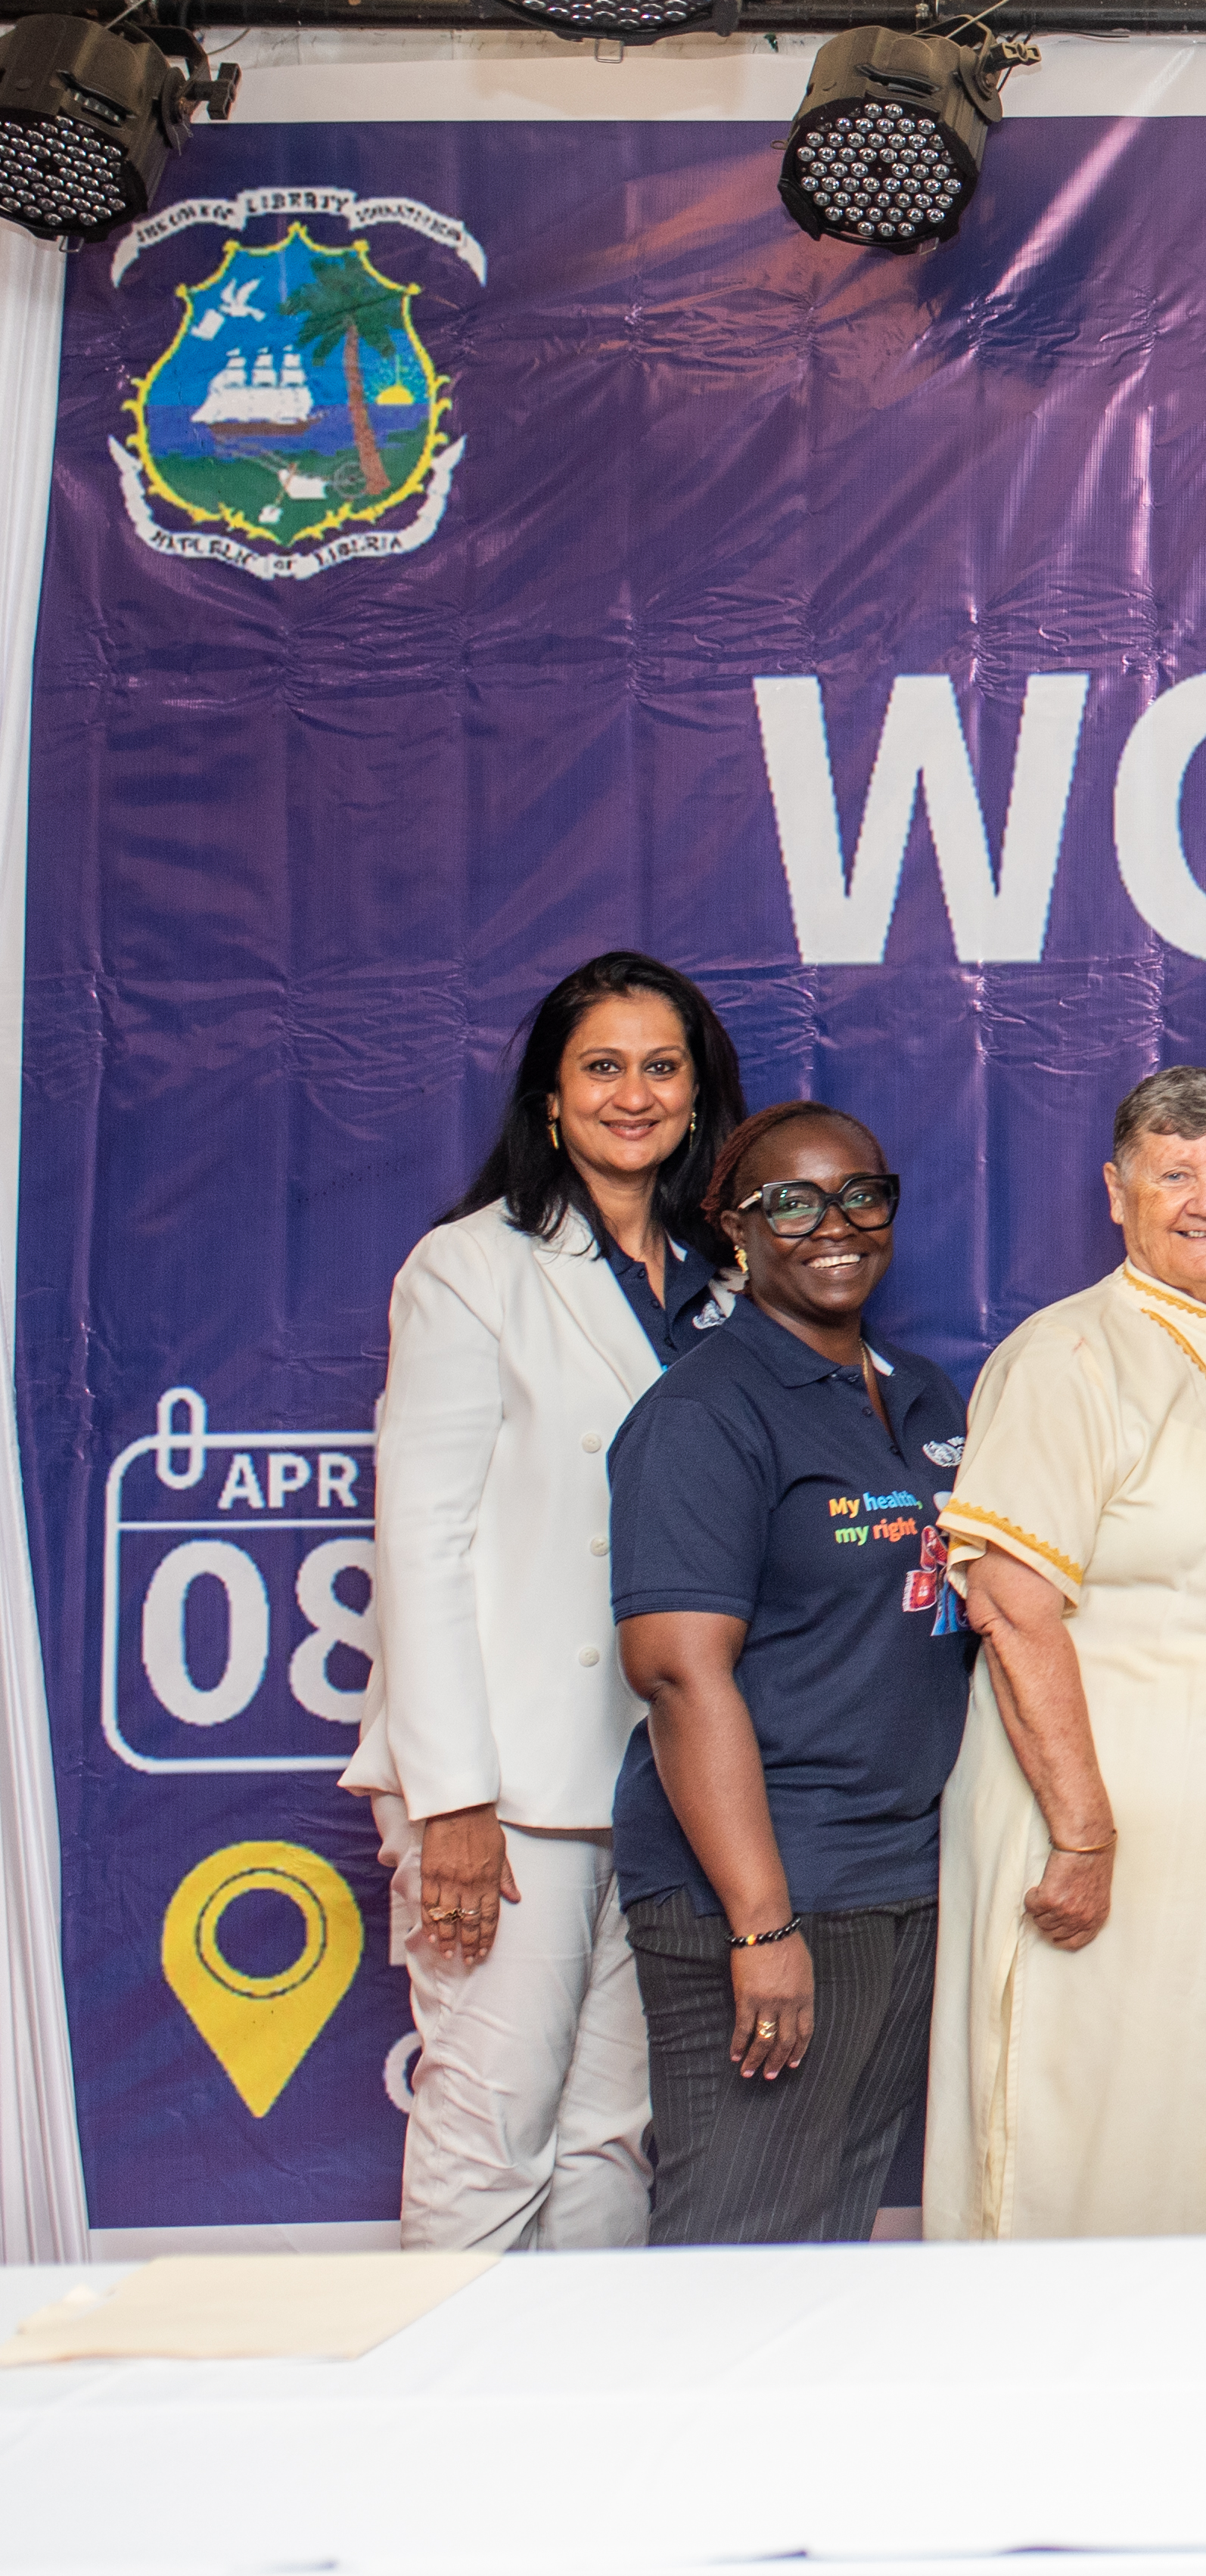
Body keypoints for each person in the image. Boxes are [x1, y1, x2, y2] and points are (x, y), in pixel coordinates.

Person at [927, 1067, 1206, 2239]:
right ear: (1115, 1193)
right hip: (1119, 1851)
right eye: (1172, 1174)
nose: (1203, 1199)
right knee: (1111, 2135)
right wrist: (1081, 1830)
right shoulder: (1069, 1355)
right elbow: (1011, 1608)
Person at [349, 951, 747, 2251]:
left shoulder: (726, 1285)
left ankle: (576, 2433)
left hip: (660, 1777)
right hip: (510, 1789)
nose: (633, 1093)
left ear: (699, 1096)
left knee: (605, 2141)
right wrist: (452, 1798)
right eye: (602, 1066)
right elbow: (421, 1542)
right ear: (551, 1095)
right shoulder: (472, 1268)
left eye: (661, 1066)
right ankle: (433, 2444)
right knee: (488, 2133)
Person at [607, 1103, 970, 2245]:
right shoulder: (704, 1414)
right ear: (734, 1230)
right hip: (772, 1891)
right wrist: (761, 1928)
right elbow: (677, 1677)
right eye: (793, 1204)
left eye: (862, 1195)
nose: (836, 1225)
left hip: (901, 1880)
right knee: (736, 2240)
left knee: (828, 2238)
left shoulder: (920, 1395)